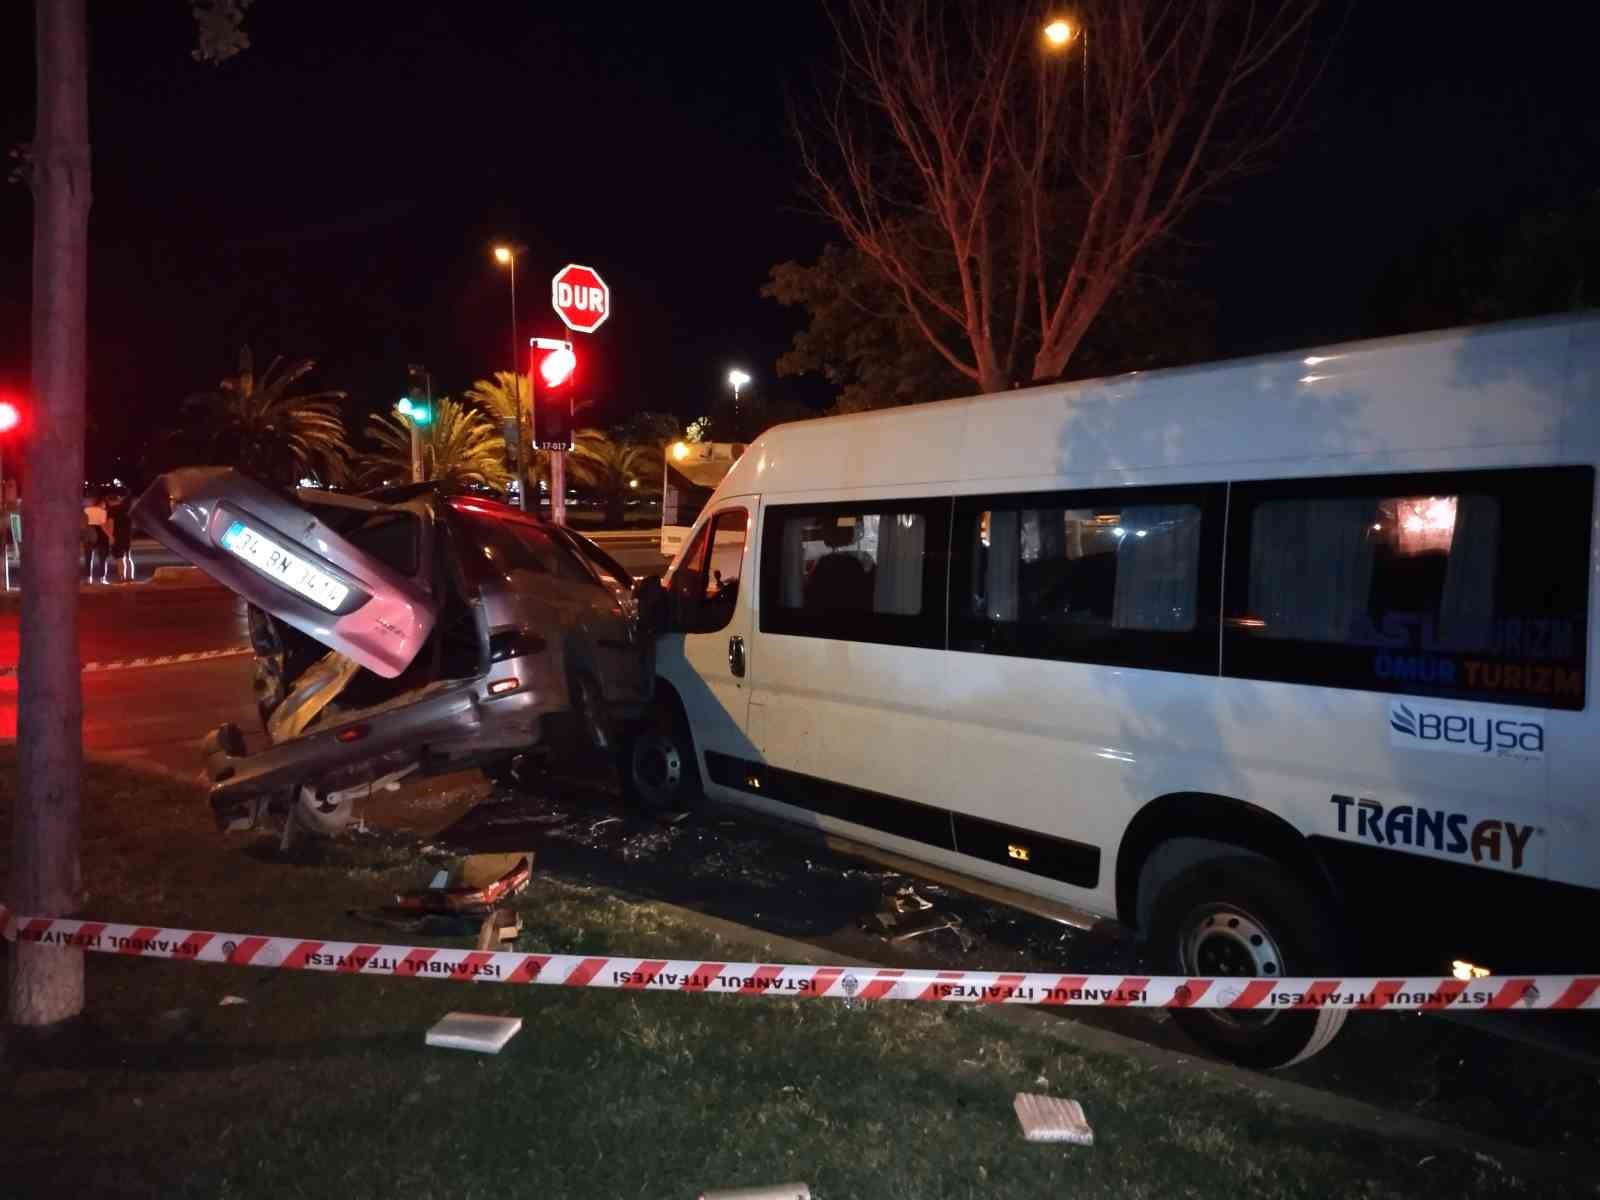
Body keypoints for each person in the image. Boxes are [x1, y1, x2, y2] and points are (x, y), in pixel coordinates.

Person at [104, 490, 134, 583]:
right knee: (128, 557)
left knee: (120, 558)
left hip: (117, 536)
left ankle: (122, 577)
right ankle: (131, 577)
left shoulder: (112, 511)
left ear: (110, 501)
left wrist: (110, 537)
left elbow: (111, 524)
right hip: (127, 536)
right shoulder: (127, 509)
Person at [83, 491, 109, 583]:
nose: (105, 506)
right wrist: (110, 536)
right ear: (102, 503)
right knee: (102, 558)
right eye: (105, 504)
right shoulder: (103, 511)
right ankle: (102, 578)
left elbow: (83, 522)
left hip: (88, 533)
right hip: (100, 534)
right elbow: (103, 524)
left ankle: (88, 578)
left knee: (88, 558)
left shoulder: (86, 510)